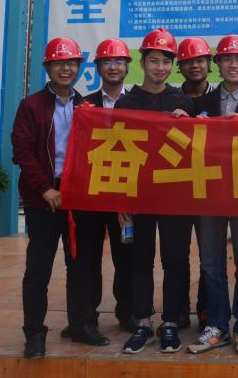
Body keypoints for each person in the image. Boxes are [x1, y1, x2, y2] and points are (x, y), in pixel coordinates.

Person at [13, 37, 107, 359]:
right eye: (59, 63)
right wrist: (45, 188)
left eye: (71, 63)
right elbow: (22, 152)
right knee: (38, 269)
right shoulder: (31, 106)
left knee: (81, 266)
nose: (66, 69)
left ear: (78, 67)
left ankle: (80, 324)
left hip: (78, 197)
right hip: (43, 199)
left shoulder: (87, 106)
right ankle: (34, 334)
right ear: (48, 67)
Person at [188, 34, 238, 356]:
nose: (233, 65)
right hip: (209, 192)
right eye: (227, 59)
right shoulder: (201, 104)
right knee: (211, 264)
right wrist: (185, 123)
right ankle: (217, 325)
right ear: (217, 64)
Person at [119, 29, 196, 354]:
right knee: (140, 260)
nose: (160, 67)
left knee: (175, 259)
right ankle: (142, 322)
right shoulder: (126, 103)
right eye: (154, 61)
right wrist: (120, 199)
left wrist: (188, 123)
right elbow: (117, 152)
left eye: (166, 61)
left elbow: (195, 150)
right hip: (138, 195)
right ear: (142, 62)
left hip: (174, 195)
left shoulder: (183, 101)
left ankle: (170, 322)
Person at [79, 38, 136, 335]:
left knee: (126, 256)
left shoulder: (138, 103)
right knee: (88, 257)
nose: (113, 67)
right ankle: (86, 316)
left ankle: (127, 313)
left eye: (119, 61)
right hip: (92, 192)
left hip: (125, 190)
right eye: (107, 62)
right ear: (98, 67)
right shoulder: (84, 104)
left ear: (127, 66)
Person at [176, 36, 214, 330]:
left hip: (209, 188)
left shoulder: (220, 100)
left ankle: (206, 309)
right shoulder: (171, 99)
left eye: (200, 60)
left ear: (209, 64)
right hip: (177, 187)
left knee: (209, 255)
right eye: (188, 61)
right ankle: (178, 309)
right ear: (180, 66)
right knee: (177, 254)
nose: (195, 66)